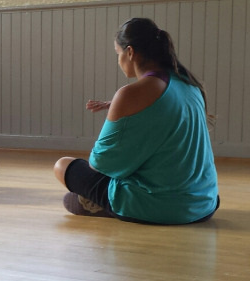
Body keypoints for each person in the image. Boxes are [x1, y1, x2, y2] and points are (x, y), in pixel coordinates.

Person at [53, 18, 219, 225]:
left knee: (62, 166)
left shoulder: (131, 94)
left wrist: (116, 111)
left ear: (130, 52)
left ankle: (108, 205)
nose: (118, 60)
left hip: (159, 207)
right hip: (204, 204)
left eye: (118, 53)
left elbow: (100, 164)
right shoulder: (188, 85)